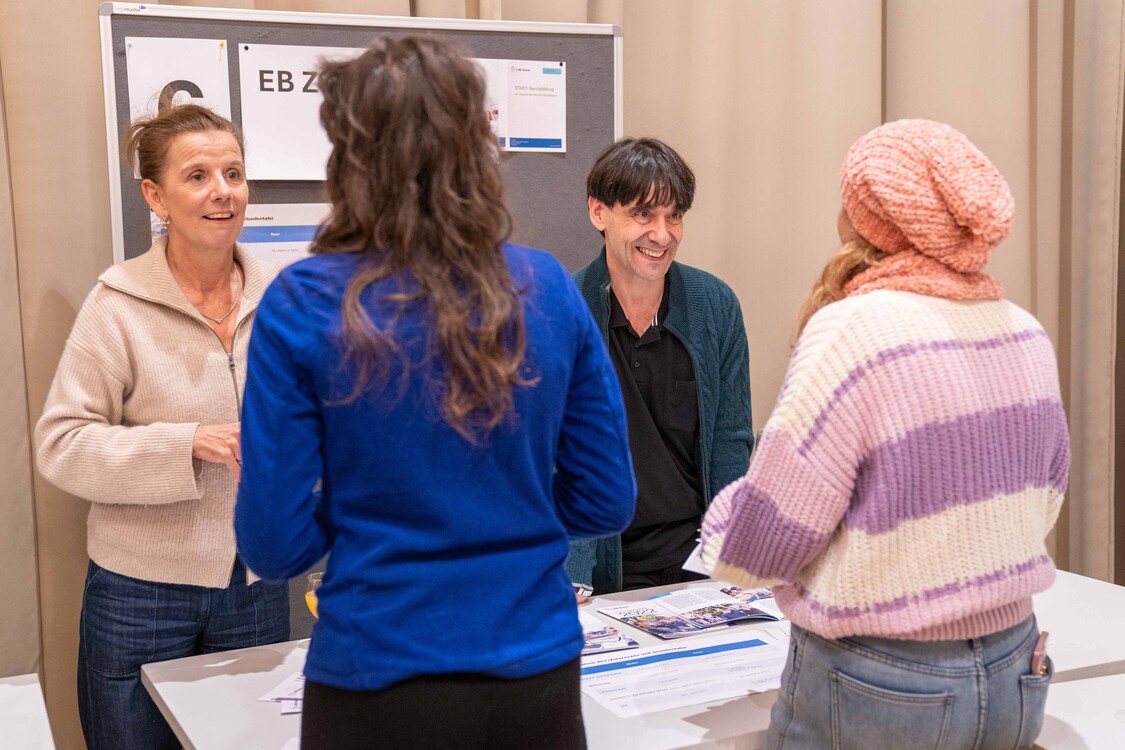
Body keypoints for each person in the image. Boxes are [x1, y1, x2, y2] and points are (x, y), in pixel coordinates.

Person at [233, 35, 635, 750]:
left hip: (374, 679)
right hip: (534, 678)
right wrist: (504, 511)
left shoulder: (303, 302)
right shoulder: (546, 287)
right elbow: (605, 500)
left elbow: (273, 544)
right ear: (477, 145)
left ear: (349, 155)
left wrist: (364, 512)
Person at [700, 119, 1070, 749]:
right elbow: (1046, 500)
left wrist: (719, 533)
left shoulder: (852, 331)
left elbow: (768, 539)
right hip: (1017, 670)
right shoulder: (1024, 331)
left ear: (866, 217)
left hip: (881, 682)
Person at [34, 103, 290, 749]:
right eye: (197, 175)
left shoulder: (285, 298)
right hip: (139, 593)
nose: (221, 191)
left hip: (258, 582)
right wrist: (187, 442)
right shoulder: (115, 305)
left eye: (232, 173)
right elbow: (61, 446)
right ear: (156, 196)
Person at [565, 137, 754, 597]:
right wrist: (572, 574)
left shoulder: (714, 305)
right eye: (643, 214)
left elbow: (730, 442)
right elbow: (559, 459)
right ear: (598, 213)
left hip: (698, 567)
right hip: (604, 572)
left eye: (674, 216)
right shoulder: (565, 310)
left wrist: (733, 562)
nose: (662, 234)